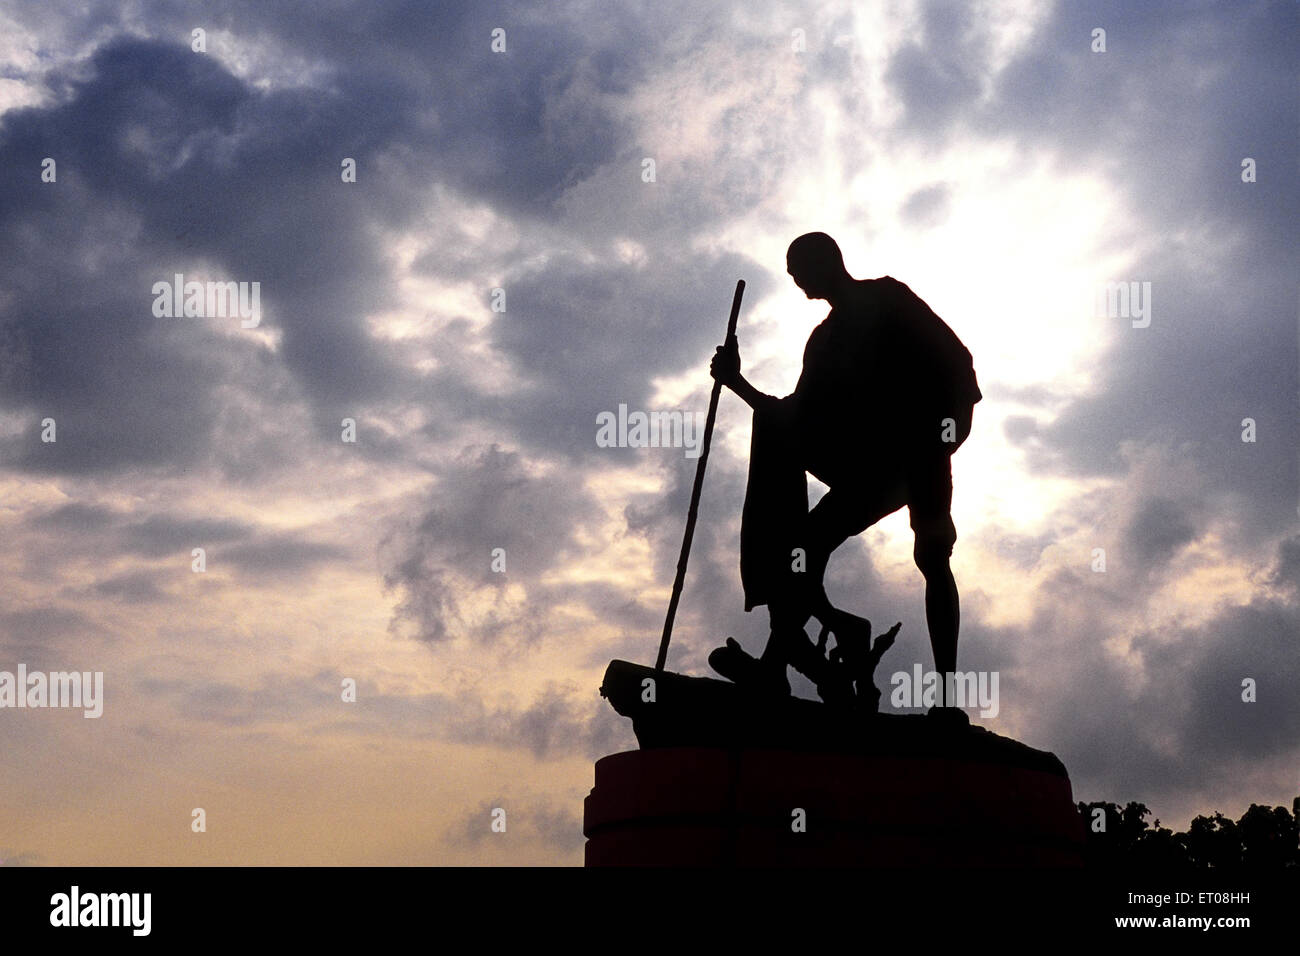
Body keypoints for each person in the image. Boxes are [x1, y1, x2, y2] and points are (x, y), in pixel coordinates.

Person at [708, 232, 981, 709]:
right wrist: (736, 383)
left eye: (799, 269)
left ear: (827, 261)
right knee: (803, 549)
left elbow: (958, 363)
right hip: (869, 469)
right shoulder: (822, 341)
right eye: (791, 274)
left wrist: (945, 438)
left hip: (921, 451)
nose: (796, 281)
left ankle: (948, 699)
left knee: (933, 558)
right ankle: (778, 668)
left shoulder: (886, 297)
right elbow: (794, 414)